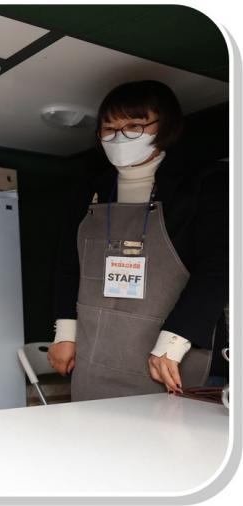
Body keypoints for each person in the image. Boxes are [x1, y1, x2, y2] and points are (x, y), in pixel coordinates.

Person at [48, 80, 228, 400]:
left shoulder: (204, 183)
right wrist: (65, 334)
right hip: (95, 352)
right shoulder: (89, 188)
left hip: (170, 354)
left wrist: (175, 341)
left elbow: (220, 267)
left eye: (134, 126)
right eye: (109, 129)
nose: (119, 137)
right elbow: (68, 266)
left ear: (166, 126)